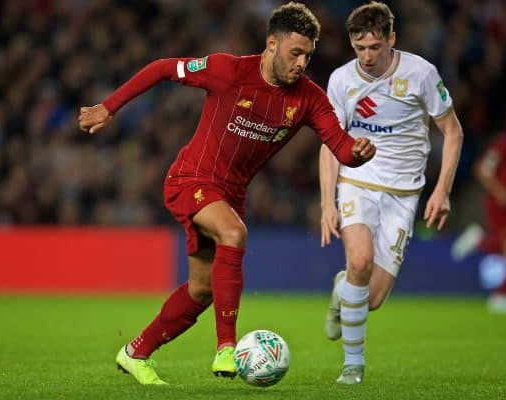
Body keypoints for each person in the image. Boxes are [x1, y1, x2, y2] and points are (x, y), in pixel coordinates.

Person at [79, 2, 376, 385]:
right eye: (295, 53)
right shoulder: (229, 71)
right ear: (272, 44)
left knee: (201, 290)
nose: (302, 63)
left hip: (231, 196)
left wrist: (358, 152)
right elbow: (162, 69)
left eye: (308, 55)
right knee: (234, 234)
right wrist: (108, 107)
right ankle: (226, 347)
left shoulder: (309, 98)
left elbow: (340, 146)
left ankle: (135, 352)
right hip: (191, 178)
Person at [318, 1, 463, 384]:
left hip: (404, 194)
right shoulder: (341, 80)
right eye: (359, 47)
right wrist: (326, 203)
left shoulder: (420, 74)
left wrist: (442, 190)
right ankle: (353, 365)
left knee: (373, 298)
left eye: (374, 47)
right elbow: (330, 144)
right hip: (358, 182)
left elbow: (453, 132)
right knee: (360, 262)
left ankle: (341, 289)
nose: (366, 57)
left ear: (391, 40)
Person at [474, 99, 506, 314]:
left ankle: (501, 295)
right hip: (499, 207)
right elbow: (482, 170)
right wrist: (499, 190)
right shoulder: (503, 146)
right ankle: (500, 296)